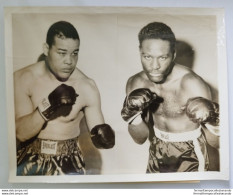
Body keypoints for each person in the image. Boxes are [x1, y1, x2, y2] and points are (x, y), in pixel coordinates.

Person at [15, 21, 115, 176]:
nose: (69, 61)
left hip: (68, 162)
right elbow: (20, 133)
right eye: (62, 53)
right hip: (28, 159)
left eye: (74, 53)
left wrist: (105, 137)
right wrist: (47, 105)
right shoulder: (24, 78)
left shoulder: (86, 87)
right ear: (47, 49)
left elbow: (99, 136)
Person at [121, 22, 219, 173]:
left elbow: (216, 143)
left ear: (173, 55)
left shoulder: (192, 84)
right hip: (156, 150)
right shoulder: (136, 83)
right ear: (140, 51)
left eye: (162, 57)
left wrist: (213, 120)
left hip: (190, 154)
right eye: (147, 57)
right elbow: (140, 139)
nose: (154, 66)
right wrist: (132, 116)